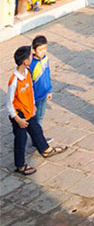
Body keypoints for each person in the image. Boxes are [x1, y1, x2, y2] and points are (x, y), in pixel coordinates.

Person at [8, 45, 66, 175]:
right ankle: (20, 165)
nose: (31, 57)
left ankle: (45, 149)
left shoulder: (27, 72)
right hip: (19, 115)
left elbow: (30, 91)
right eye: (30, 56)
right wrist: (18, 119)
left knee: (36, 130)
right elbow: (9, 104)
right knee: (21, 140)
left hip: (29, 109)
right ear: (25, 61)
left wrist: (33, 104)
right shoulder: (14, 81)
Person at [28, 36, 53, 137]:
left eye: (44, 48)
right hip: (35, 96)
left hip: (44, 93)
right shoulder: (31, 64)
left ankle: (38, 138)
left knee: (41, 116)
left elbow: (47, 74)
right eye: (40, 49)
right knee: (38, 118)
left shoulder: (45, 59)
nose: (43, 51)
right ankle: (38, 139)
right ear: (34, 50)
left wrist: (49, 90)